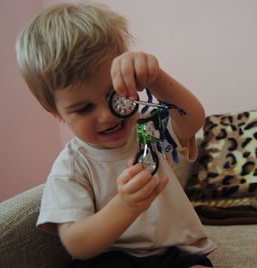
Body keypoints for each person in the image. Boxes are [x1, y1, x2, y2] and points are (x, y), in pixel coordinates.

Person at [15, 2, 215, 267]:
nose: (107, 115)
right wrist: (126, 205)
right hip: (110, 258)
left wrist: (154, 76)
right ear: (57, 113)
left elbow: (192, 119)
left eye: (116, 95)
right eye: (84, 108)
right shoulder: (73, 165)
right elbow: (78, 244)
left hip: (173, 252)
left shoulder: (146, 129)